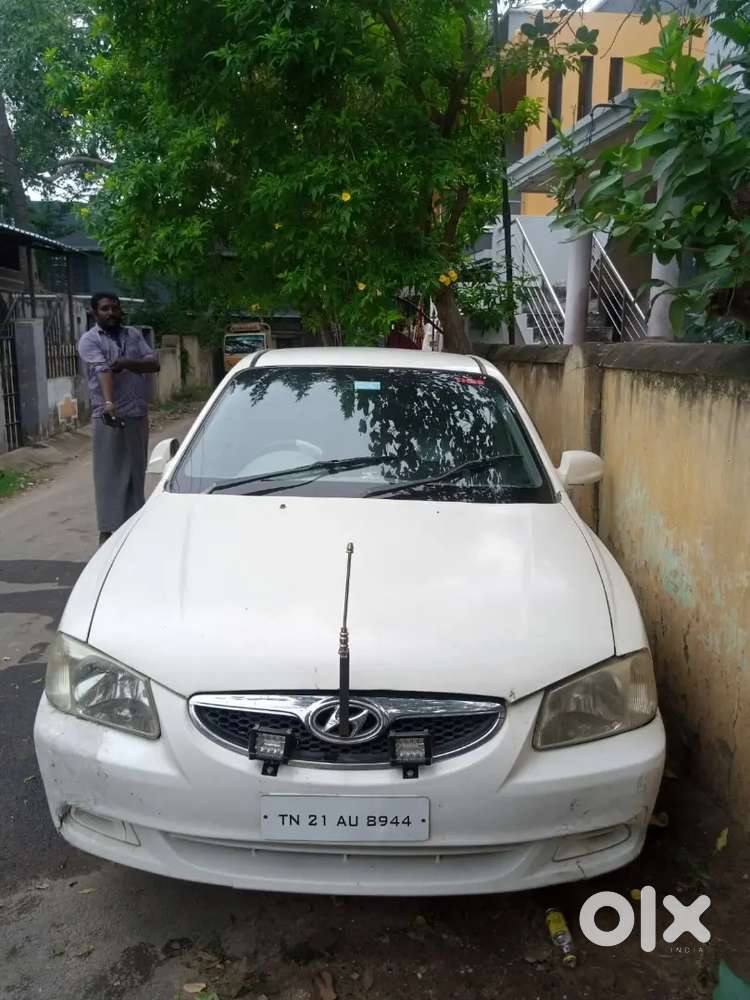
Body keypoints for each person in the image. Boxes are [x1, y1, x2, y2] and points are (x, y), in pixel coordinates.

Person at [78, 293, 161, 546]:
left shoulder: (133, 335)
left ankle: (134, 528)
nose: (111, 313)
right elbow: (102, 371)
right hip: (108, 417)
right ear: (95, 312)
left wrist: (126, 363)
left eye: (115, 308)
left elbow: (153, 364)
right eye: (105, 309)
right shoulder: (89, 340)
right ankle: (108, 532)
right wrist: (109, 404)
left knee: (135, 473)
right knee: (109, 476)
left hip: (137, 414)